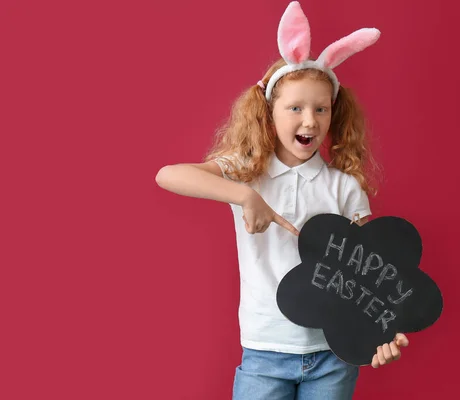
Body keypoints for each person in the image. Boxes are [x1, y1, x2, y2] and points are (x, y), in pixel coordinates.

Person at [155, 2, 408, 398]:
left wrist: (380, 334)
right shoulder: (247, 171)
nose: (310, 121)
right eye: (296, 108)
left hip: (333, 356)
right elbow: (168, 174)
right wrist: (244, 195)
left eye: (321, 109)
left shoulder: (344, 188)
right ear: (269, 112)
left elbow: (366, 274)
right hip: (263, 352)